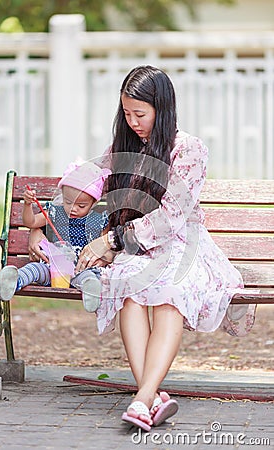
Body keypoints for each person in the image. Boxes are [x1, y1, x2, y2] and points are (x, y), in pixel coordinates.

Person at [29, 66, 256, 431]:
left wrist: (112, 240)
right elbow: (77, 192)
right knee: (130, 294)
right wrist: (39, 229)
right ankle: (149, 398)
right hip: (135, 251)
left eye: (141, 114)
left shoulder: (188, 149)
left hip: (181, 247)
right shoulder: (121, 149)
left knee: (169, 293)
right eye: (127, 113)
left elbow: (172, 217)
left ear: (161, 109)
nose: (133, 122)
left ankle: (143, 397)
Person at [0, 161, 111, 313]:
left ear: (94, 202)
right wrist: (27, 205)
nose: (73, 209)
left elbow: (106, 249)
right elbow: (31, 222)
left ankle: (91, 291)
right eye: (68, 202)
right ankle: (13, 280)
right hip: (53, 268)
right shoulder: (55, 213)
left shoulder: (99, 220)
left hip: (81, 269)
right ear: (62, 196)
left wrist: (102, 258)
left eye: (81, 206)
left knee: (89, 277)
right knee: (34, 269)